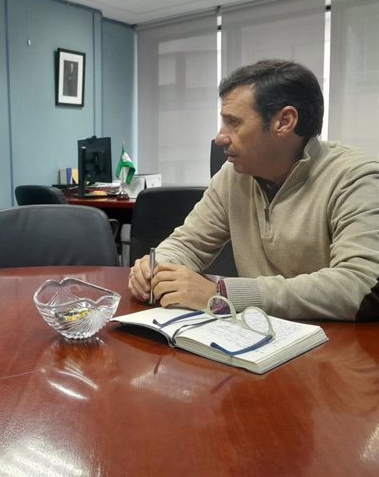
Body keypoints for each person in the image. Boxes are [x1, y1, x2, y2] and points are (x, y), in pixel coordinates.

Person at [129, 59, 379, 321]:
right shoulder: (233, 176)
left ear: (284, 121)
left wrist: (222, 294)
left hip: (336, 348)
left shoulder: (356, 178)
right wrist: (155, 269)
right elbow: (188, 243)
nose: (219, 138)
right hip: (255, 337)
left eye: (233, 122)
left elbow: (360, 284)